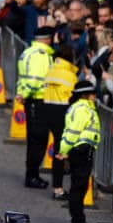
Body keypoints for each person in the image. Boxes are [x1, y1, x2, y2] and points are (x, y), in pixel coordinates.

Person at [56, 80, 100, 223]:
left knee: (78, 186)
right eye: (93, 93)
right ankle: (78, 222)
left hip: (79, 150)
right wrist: (63, 151)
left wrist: (65, 151)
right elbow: (73, 132)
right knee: (78, 188)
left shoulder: (79, 107)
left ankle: (78, 220)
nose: (95, 96)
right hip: (81, 151)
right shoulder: (83, 109)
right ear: (86, 95)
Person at [17, 26, 55, 188]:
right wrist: (25, 94)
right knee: (38, 140)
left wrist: (21, 93)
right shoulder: (41, 55)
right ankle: (32, 176)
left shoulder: (28, 52)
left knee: (34, 140)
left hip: (31, 101)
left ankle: (32, 175)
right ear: (48, 39)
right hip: (38, 100)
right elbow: (34, 80)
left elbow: (23, 78)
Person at [43, 44, 79, 201]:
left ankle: (57, 187)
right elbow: (75, 97)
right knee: (64, 151)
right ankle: (59, 189)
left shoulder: (51, 70)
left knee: (59, 149)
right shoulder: (69, 75)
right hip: (63, 112)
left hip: (49, 111)